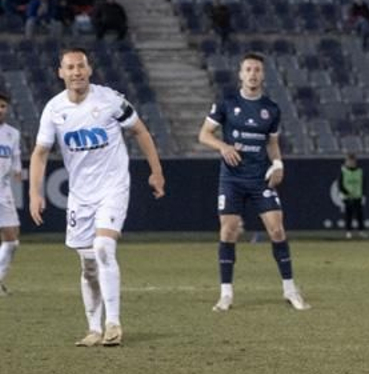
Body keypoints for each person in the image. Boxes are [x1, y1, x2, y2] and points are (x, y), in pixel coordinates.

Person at [28, 48, 167, 347]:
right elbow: (40, 153)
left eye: (81, 66)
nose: (76, 72)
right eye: (70, 67)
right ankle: (93, 328)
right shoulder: (54, 110)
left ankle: (113, 323)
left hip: (113, 187)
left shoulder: (110, 101)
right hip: (80, 196)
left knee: (104, 247)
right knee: (88, 265)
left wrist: (156, 171)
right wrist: (34, 192)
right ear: (60, 72)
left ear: (89, 70)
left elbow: (140, 132)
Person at [197, 52, 311, 312]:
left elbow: (272, 143)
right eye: (248, 69)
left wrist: (278, 164)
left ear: (263, 75)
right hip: (232, 179)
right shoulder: (227, 103)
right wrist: (223, 147)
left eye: (257, 70)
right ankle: (226, 294)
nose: (252, 74)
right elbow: (204, 134)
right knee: (227, 231)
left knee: (277, 230)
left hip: (260, 179)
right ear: (240, 74)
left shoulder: (270, 109)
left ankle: (290, 289)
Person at [0, 93, 23, 294]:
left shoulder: (12, 134)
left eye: (3, 106)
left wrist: (17, 170)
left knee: (12, 240)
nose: (0, 109)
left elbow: (15, 157)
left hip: (3, 190)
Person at [340, 153, 367, 238]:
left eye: (353, 161)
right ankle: (348, 232)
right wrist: (346, 193)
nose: (351, 163)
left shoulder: (359, 171)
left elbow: (363, 183)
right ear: (346, 162)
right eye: (349, 161)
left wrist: (362, 194)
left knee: (359, 215)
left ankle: (361, 231)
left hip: (357, 196)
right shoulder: (343, 171)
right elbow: (340, 184)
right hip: (347, 197)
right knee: (348, 215)